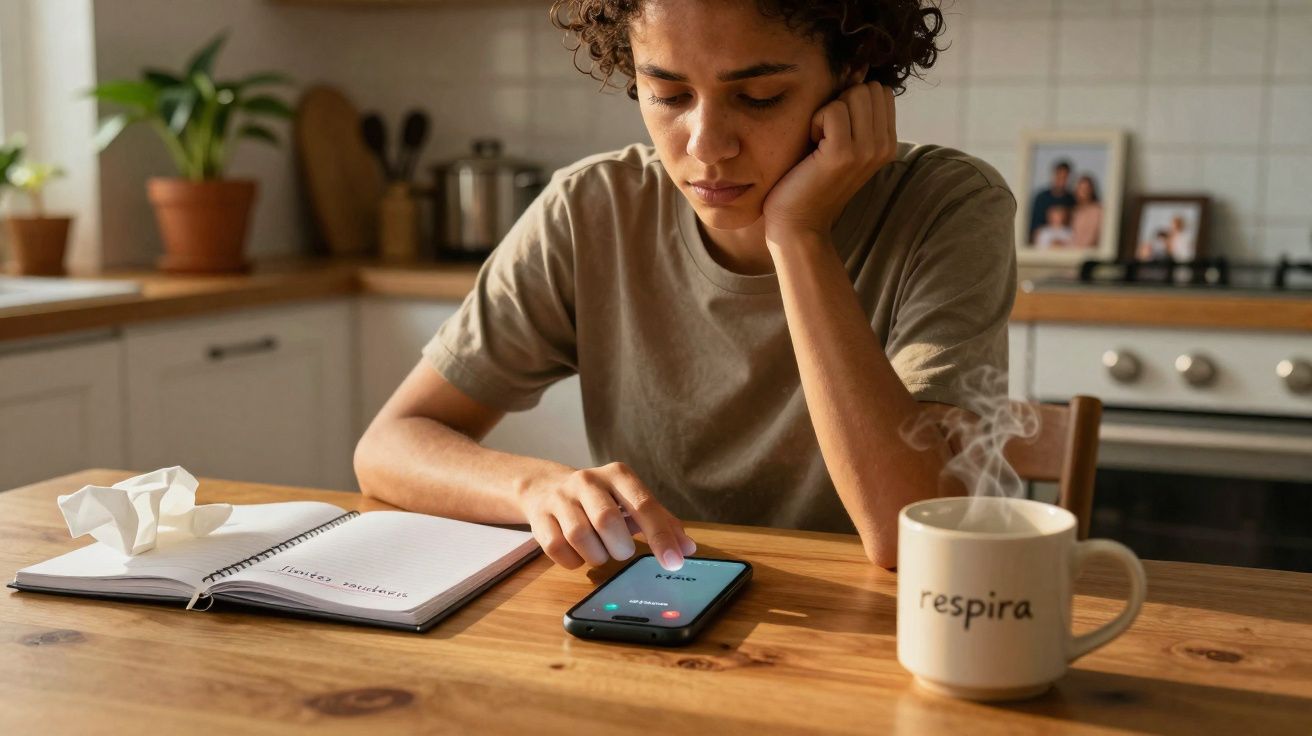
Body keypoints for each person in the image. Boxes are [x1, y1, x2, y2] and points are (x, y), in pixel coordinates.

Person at [354, 0, 1017, 571]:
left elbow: (913, 533)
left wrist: (797, 236)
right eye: (668, 95)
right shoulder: (592, 209)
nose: (705, 145)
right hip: (663, 609)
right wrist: (532, 486)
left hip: (874, 636)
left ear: (852, 75)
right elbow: (389, 445)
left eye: (760, 96)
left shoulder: (949, 207)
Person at [1028, 160, 1075, 244]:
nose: (1061, 180)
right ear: (1054, 175)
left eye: (1064, 177)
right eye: (1059, 176)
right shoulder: (1041, 198)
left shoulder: (1071, 199)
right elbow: (1034, 226)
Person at [1069, 175, 1101, 249]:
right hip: (1074, 251)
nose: (1084, 192)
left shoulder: (1098, 210)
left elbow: (1093, 237)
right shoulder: (1075, 211)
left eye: (1087, 189)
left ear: (1092, 190)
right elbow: (1074, 236)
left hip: (1089, 251)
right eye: (1081, 189)